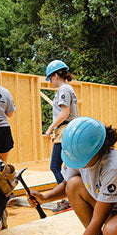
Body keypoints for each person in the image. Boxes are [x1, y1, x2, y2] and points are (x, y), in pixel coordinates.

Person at [44, 60, 80, 211]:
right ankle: (71, 197)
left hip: (65, 130)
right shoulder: (67, 89)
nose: (50, 81)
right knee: (66, 166)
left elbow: (65, 113)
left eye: (50, 78)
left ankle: (68, 198)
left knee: (55, 166)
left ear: (56, 75)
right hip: (65, 130)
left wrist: (50, 128)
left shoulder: (63, 90)